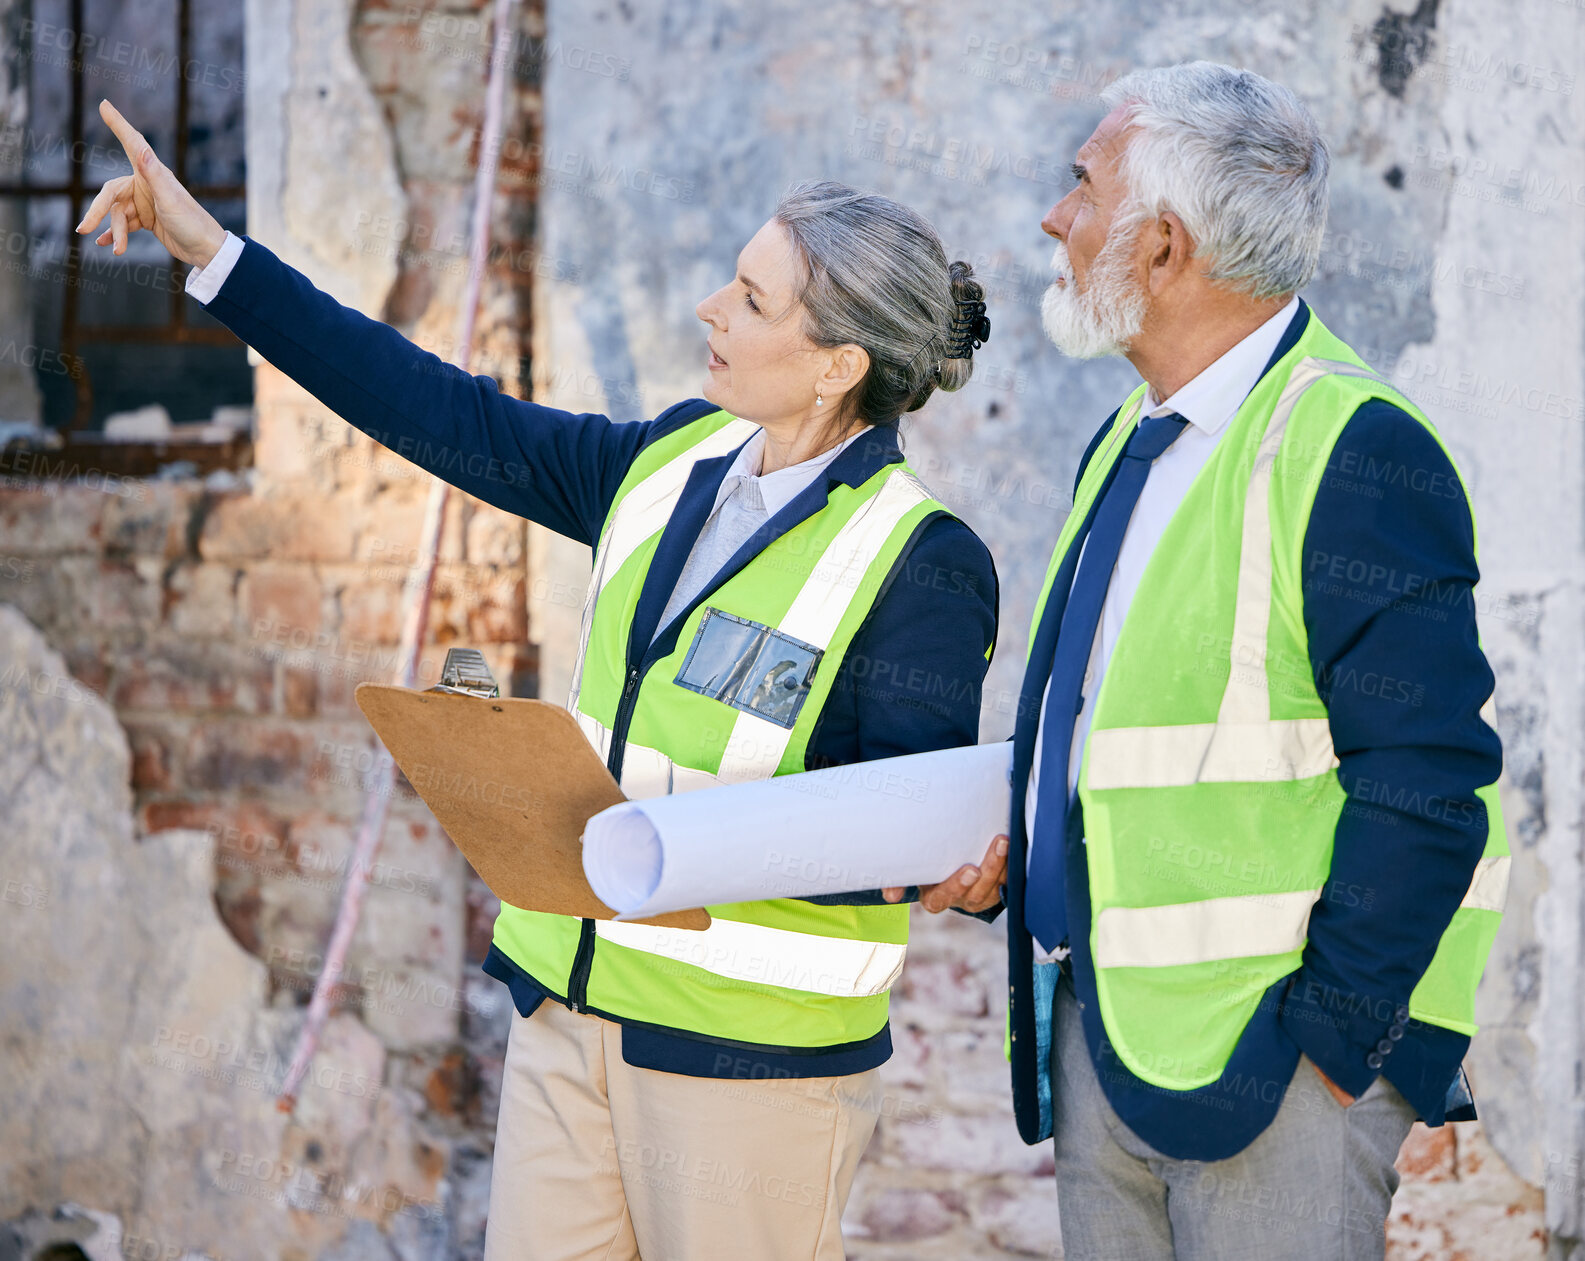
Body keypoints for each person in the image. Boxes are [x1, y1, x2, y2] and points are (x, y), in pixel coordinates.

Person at [79, 100, 1003, 1260]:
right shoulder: (670, 462)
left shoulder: (921, 562)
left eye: (752, 301)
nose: (710, 310)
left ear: (836, 366)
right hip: (566, 1021)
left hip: (746, 1077)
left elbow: (901, 835)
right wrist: (216, 257)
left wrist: (949, 874)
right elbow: (440, 411)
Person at [915, 62, 1508, 1259]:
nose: (1054, 218)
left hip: (1276, 1072)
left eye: (1081, 188)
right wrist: (1019, 860)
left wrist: (1330, 1049)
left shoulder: (1349, 448)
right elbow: (1127, 731)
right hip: (1109, 1038)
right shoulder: (1131, 442)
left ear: (1165, 248)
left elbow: (1432, 784)